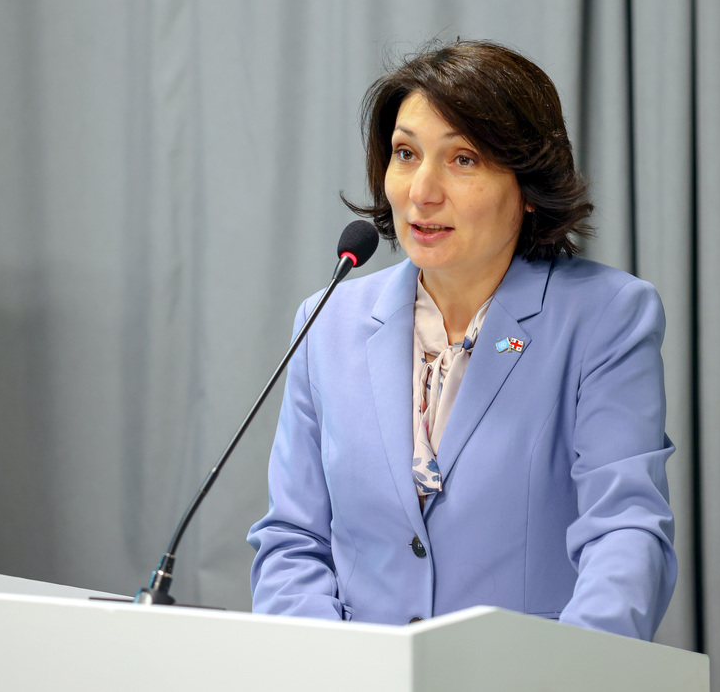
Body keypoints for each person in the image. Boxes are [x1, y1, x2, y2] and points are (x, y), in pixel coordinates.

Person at [247, 40, 676, 640]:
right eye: (406, 154)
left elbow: (624, 534)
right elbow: (294, 539)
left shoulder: (604, 317)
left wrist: (566, 674)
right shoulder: (328, 323)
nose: (422, 191)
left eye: (464, 159)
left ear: (528, 185)